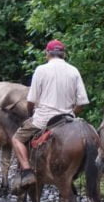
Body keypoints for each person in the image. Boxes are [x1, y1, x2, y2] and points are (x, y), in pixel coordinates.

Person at [12, 39, 89, 189]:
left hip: (44, 119)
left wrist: (31, 114)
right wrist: (72, 113)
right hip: (67, 120)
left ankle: (27, 171)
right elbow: (82, 102)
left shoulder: (41, 70)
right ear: (64, 54)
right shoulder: (74, 70)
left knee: (16, 139)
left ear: (47, 54)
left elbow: (31, 100)